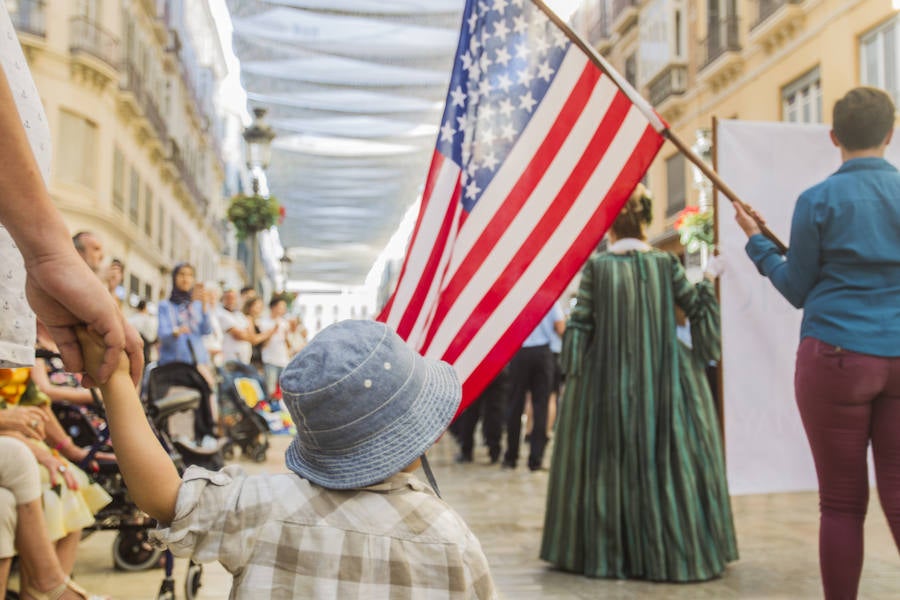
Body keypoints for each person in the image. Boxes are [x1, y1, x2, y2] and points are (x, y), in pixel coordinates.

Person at [77, 320, 498, 598]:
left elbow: (163, 497)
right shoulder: (447, 536)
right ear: (419, 433)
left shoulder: (264, 505)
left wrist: (114, 381)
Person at [734, 86, 900, 600]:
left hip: (835, 358)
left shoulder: (817, 201)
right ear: (891, 133)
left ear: (833, 137)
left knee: (843, 503)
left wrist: (758, 243)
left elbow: (796, 288)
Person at [540, 184, 738, 581]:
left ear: (610, 226)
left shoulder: (598, 269)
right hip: (665, 381)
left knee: (606, 462)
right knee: (667, 459)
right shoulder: (665, 265)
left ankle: (607, 552)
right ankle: (668, 551)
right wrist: (709, 276)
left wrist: (575, 378)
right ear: (646, 221)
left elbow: (579, 328)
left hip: (606, 385)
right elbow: (697, 310)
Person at [502, 302, 565, 471]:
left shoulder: (518, 296)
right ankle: (535, 459)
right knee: (540, 406)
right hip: (542, 354)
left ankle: (511, 456)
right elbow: (560, 327)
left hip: (519, 351)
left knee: (515, 404)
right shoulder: (549, 298)